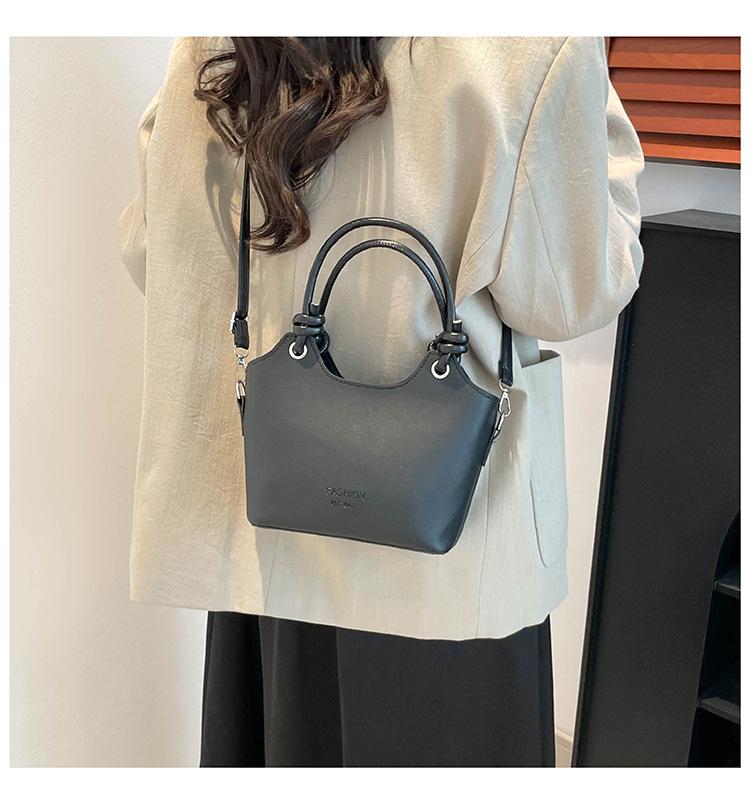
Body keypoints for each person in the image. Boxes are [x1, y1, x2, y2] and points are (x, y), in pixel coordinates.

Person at [118, 36, 644, 767]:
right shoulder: (530, 43)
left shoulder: (221, 43)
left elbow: (156, 255)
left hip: (275, 525)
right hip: (446, 543)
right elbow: (573, 292)